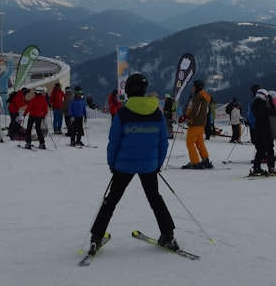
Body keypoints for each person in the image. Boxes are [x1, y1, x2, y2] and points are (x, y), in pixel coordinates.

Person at [88, 73, 178, 256]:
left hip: (123, 165)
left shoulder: (123, 113)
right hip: (149, 165)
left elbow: (113, 142)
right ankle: (168, 234)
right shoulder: (156, 113)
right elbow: (163, 142)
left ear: (128, 91)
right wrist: (157, 163)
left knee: (111, 200)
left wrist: (112, 164)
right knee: (155, 199)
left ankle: (96, 237)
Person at [181, 79, 212, 169]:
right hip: (201, 123)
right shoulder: (204, 97)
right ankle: (205, 159)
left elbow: (195, 110)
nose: (192, 88)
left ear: (197, 88)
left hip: (195, 123)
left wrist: (186, 116)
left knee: (190, 142)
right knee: (199, 142)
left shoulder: (198, 97)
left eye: (193, 86)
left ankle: (195, 162)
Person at [249, 84, 276, 176]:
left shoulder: (254, 104)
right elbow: (274, 113)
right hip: (265, 128)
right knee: (270, 149)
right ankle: (271, 168)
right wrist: (271, 102)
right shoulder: (264, 105)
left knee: (260, 149)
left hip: (257, 128)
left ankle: (256, 167)